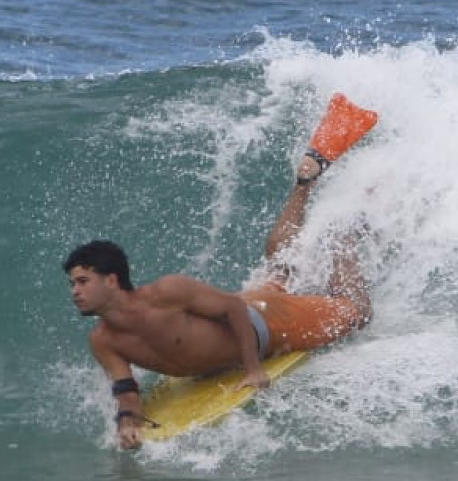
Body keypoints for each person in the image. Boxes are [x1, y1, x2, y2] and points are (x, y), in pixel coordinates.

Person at [64, 95, 379, 448]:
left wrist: (253, 368)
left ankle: (344, 229)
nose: (74, 291)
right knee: (280, 270)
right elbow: (125, 389)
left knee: (355, 312)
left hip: (269, 325)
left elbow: (232, 308)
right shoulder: (103, 340)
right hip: (248, 314)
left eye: (82, 282)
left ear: (112, 280)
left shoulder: (167, 292)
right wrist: (127, 423)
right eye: (73, 283)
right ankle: (307, 179)